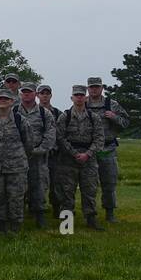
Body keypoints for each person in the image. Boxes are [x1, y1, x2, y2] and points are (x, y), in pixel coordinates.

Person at [56, 84, 106, 231]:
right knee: (66, 192)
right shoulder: (65, 117)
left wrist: (87, 154)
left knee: (90, 191)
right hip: (68, 160)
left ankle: (91, 219)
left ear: (86, 98)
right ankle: (66, 224)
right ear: (72, 98)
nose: (79, 98)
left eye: (81, 95)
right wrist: (74, 153)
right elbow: (60, 138)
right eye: (76, 95)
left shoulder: (93, 117)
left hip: (88, 160)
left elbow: (99, 139)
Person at [0, 89, 31, 234]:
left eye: (6, 99)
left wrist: (19, 158)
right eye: (0, 98)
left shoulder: (20, 120)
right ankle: (0, 226)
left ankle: (15, 227)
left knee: (15, 198)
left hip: (16, 167)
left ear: (12, 102)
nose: (2, 101)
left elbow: (28, 143)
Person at [85, 76, 130, 222]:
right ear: (88, 88)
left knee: (109, 183)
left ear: (102, 88)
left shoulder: (112, 104)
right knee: (88, 184)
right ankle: (89, 214)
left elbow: (126, 122)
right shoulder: (82, 103)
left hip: (107, 148)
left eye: (97, 87)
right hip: (89, 150)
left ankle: (109, 213)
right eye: (91, 87)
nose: (94, 89)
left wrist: (114, 117)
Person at [16, 83, 57, 228]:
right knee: (18, 187)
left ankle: (40, 216)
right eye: (24, 92)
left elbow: (50, 135)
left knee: (39, 186)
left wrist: (39, 150)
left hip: (38, 157)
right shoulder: (14, 111)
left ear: (35, 94)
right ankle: (18, 217)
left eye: (29, 92)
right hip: (17, 157)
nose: (26, 94)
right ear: (20, 94)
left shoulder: (44, 113)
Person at [37, 83, 62, 215]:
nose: (45, 96)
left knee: (56, 182)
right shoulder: (34, 112)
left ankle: (56, 208)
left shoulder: (58, 113)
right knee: (38, 182)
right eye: (42, 93)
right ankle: (36, 208)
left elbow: (62, 134)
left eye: (47, 93)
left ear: (51, 95)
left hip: (54, 154)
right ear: (37, 95)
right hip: (39, 154)